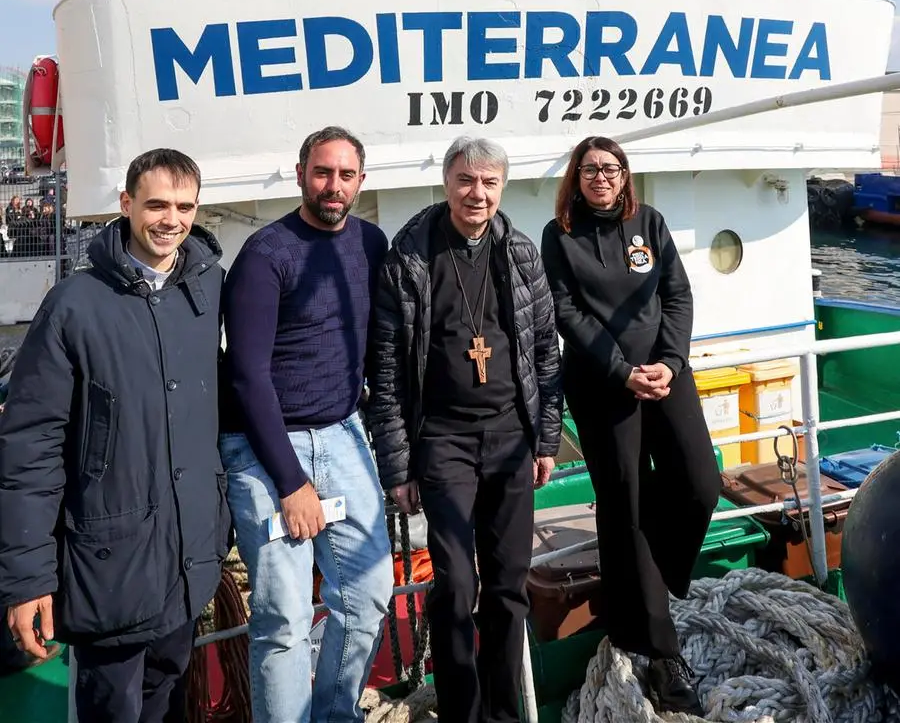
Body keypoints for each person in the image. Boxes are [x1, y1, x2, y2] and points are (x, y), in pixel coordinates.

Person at [0, 148, 230, 723]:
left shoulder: (205, 293)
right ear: (126, 204)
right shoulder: (73, 308)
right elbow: (30, 450)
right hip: (109, 569)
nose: (170, 220)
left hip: (185, 564)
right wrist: (27, 579)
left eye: (183, 206)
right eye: (155, 204)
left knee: (171, 698)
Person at [367, 136, 562, 723]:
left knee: (508, 586)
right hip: (443, 441)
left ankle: (505, 713)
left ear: (501, 188)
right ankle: (461, 713)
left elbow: (546, 351)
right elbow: (386, 368)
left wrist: (546, 438)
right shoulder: (410, 257)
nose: (477, 193)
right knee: (455, 586)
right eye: (466, 180)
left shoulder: (520, 252)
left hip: (511, 438)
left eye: (489, 183)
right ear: (447, 182)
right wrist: (397, 467)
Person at [540, 136, 720, 716]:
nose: (601, 177)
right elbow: (566, 311)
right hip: (602, 386)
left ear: (624, 175)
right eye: (590, 169)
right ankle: (661, 652)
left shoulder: (650, 222)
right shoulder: (559, 235)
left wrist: (669, 363)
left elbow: (678, 296)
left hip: (666, 375)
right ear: (576, 176)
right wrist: (622, 372)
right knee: (626, 505)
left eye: (610, 168)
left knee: (700, 482)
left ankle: (653, 579)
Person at [219, 126, 393, 723]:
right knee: (284, 619)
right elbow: (246, 375)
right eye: (323, 173)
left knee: (368, 595)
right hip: (267, 448)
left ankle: (334, 715)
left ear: (361, 182)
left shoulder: (370, 243)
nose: (334, 186)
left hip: (344, 435)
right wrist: (292, 483)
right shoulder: (266, 256)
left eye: (346, 175)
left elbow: (376, 350)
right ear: (300, 175)